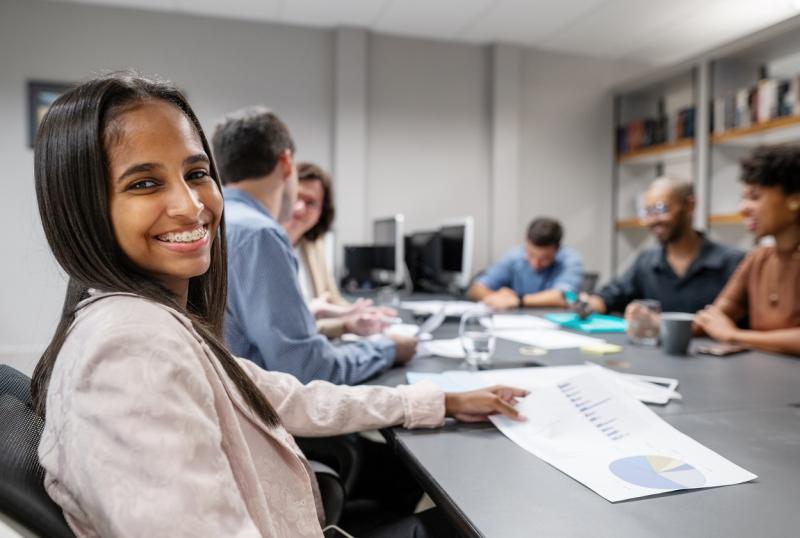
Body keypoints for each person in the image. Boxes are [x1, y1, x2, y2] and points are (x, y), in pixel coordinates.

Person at [31, 72, 527, 538]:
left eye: (196, 172)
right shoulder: (130, 351)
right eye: (144, 183)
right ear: (82, 206)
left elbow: (282, 395)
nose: (191, 205)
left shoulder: (149, 323)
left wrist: (441, 401)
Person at [212, 107, 416, 385]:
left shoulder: (216, 221)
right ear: (286, 163)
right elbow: (309, 371)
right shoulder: (260, 235)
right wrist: (388, 348)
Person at [583, 177, 744, 321]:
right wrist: (589, 304)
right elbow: (614, 294)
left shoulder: (731, 261)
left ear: (690, 205)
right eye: (647, 211)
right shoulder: (647, 260)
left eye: (661, 209)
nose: (652, 220)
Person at [695, 146, 800, 356]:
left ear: (794, 199)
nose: (743, 207)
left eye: (755, 196)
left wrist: (734, 336)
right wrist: (658, 323)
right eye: (744, 197)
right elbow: (716, 316)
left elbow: (724, 330)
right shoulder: (758, 257)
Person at [283, 162, 393, 339]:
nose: (299, 209)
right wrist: (346, 324)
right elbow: (286, 328)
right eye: (296, 197)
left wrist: (363, 313)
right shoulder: (265, 244)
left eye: (311, 203)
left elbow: (333, 298)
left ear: (322, 212)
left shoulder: (312, 244)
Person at [467, 217, 583, 309]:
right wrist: (495, 298)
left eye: (544, 258)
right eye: (531, 254)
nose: (535, 264)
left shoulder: (570, 260)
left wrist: (518, 300)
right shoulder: (514, 256)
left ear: (557, 249)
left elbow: (564, 297)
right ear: (525, 241)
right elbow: (476, 288)